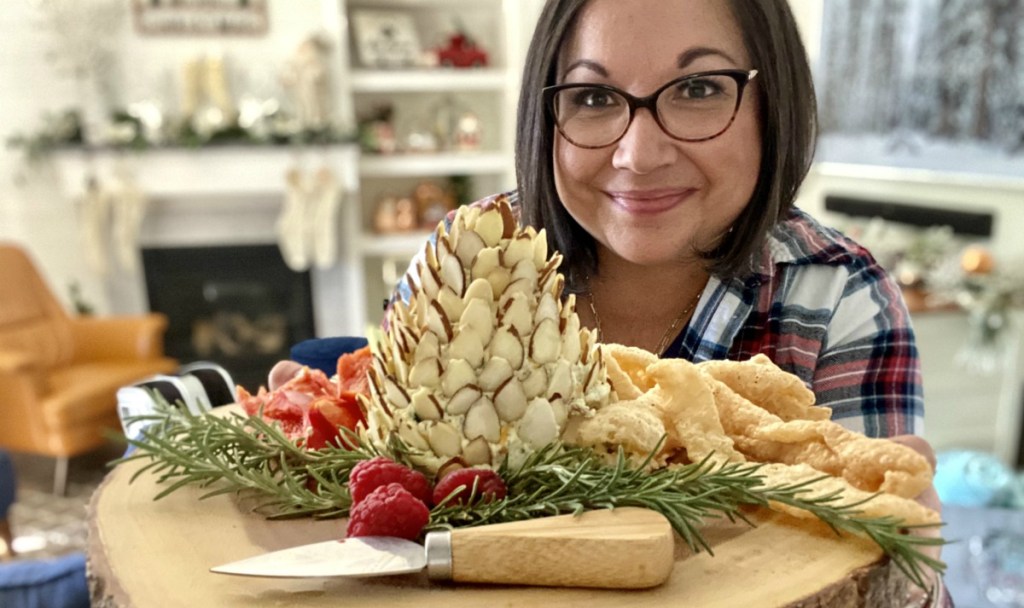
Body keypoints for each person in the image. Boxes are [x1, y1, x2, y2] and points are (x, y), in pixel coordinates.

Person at [272, 0, 947, 602]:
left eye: (699, 89)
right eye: (593, 98)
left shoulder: (839, 296)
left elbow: (865, 563)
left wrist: (906, 580)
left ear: (776, 102)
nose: (639, 153)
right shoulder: (470, 261)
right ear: (548, 113)